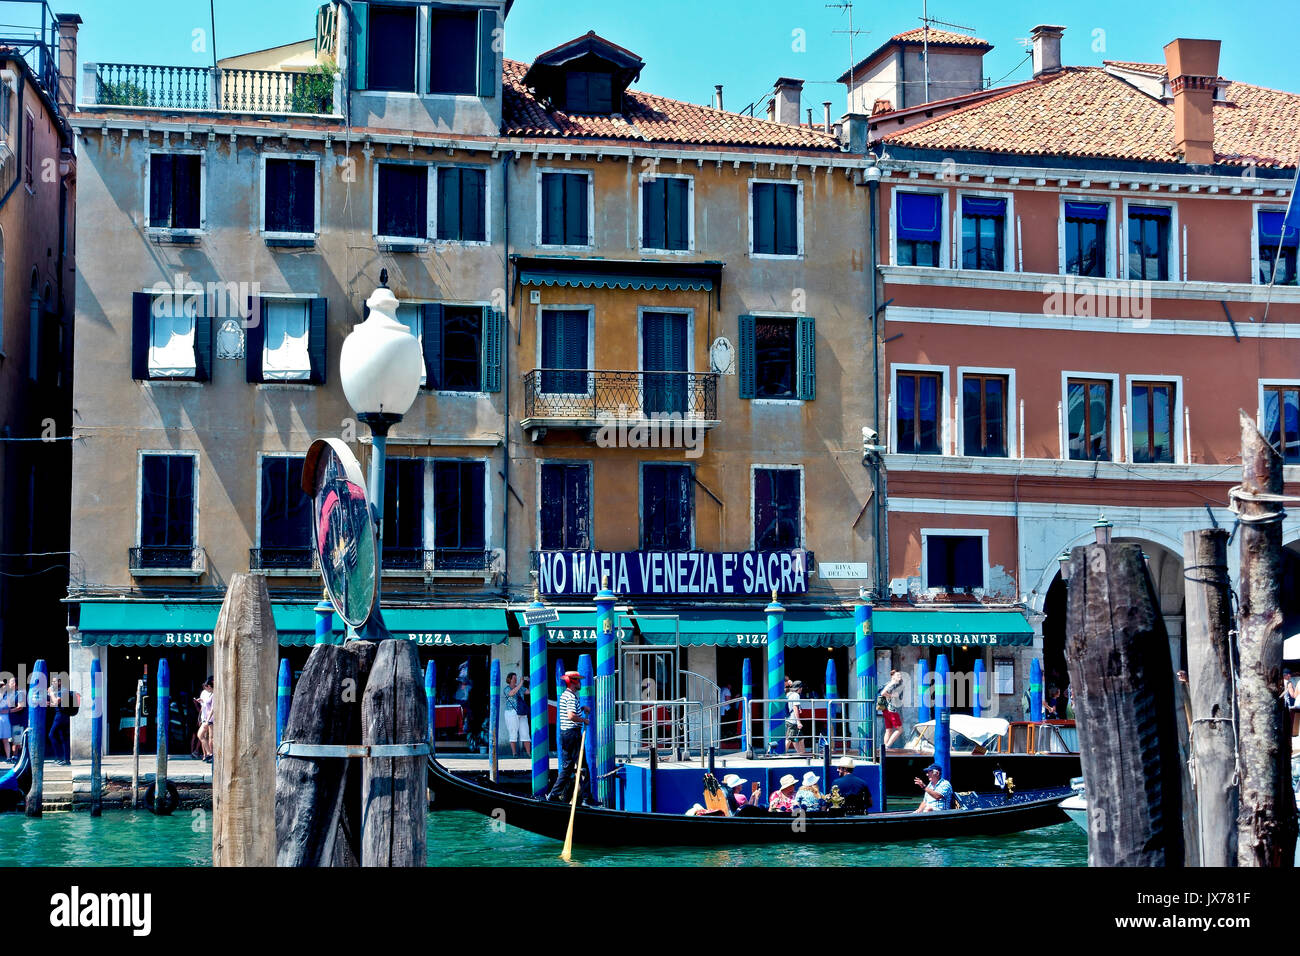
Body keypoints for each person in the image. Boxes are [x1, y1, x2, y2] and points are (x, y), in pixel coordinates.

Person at [545, 671, 595, 807]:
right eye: (578, 680)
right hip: (573, 734)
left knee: (567, 769)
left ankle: (553, 795)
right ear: (573, 681)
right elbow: (571, 716)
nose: (580, 683)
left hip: (565, 735)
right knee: (583, 768)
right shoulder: (571, 697)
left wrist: (582, 708)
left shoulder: (565, 695)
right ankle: (586, 799)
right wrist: (584, 720)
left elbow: (572, 711)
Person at [503, 671, 530, 757]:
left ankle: (529, 753)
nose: (516, 679)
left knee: (525, 733)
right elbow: (512, 693)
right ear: (509, 679)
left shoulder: (520, 688)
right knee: (513, 732)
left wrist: (530, 682)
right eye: (514, 678)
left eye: (516, 678)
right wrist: (521, 683)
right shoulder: (507, 689)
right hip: (511, 712)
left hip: (522, 713)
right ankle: (514, 753)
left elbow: (529, 691)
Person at [47, 676, 71, 765]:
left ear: (60, 682)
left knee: (51, 735)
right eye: (52, 682)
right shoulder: (59, 691)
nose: (53, 683)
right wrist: (49, 703)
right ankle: (66, 759)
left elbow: (57, 702)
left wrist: (51, 693)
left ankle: (60, 757)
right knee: (63, 737)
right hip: (61, 715)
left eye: (55, 682)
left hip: (61, 716)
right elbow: (55, 703)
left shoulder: (64, 691)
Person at [880, 669, 904, 748]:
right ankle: (888, 746)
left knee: (889, 730)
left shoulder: (888, 683)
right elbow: (883, 693)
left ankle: (884, 749)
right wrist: (892, 696)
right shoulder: (893, 684)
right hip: (892, 710)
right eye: (898, 675)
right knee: (899, 730)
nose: (900, 676)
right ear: (893, 676)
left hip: (886, 710)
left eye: (900, 675)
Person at [195, 677, 214, 763]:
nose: (205, 688)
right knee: (201, 735)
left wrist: (207, 720)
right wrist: (201, 701)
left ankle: (210, 754)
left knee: (210, 737)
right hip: (206, 718)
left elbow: (213, 709)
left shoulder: (214, 695)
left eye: (206, 686)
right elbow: (207, 706)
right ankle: (209, 753)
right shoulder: (209, 694)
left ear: (209, 686)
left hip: (210, 719)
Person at [785, 680, 806, 755]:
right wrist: (798, 721)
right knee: (789, 739)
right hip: (793, 721)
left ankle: (802, 753)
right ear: (799, 688)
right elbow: (795, 708)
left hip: (788, 719)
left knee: (799, 739)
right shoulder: (796, 695)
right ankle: (782, 753)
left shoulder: (789, 694)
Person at [0, 679, 12, 762]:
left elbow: (10, 708)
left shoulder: (8, 696)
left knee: (5, 739)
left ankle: (8, 757)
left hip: (5, 719)